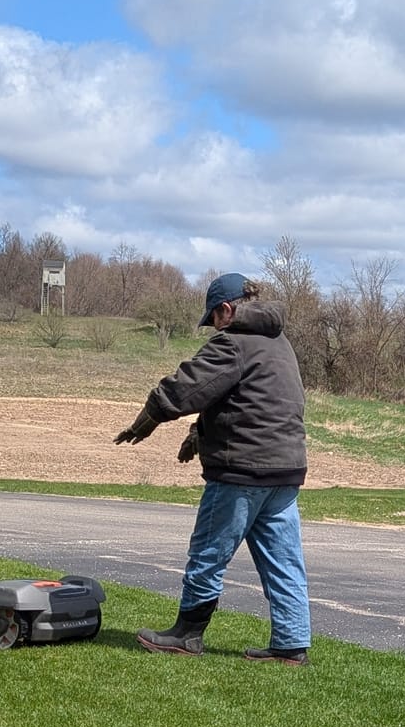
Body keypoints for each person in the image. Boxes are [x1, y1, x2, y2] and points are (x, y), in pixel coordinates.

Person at [114, 272, 311, 662]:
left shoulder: (233, 342)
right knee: (284, 562)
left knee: (208, 552)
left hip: (241, 471)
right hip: (285, 472)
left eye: (214, 318)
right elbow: (249, 402)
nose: (214, 327)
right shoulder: (280, 343)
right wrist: (198, 433)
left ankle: (187, 635)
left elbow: (185, 388)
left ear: (226, 309)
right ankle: (291, 644)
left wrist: (146, 421)